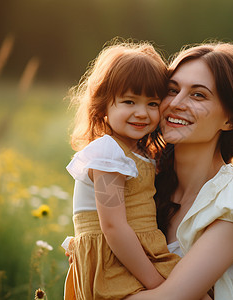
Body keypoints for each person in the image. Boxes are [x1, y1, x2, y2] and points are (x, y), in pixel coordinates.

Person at [126, 42, 233, 300]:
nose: (176, 103)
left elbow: (170, 298)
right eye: (172, 90)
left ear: (230, 119)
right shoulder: (143, 180)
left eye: (198, 95)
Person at [62, 40, 180, 300]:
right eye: (129, 101)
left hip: (141, 253)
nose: (142, 113)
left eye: (152, 103)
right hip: (114, 263)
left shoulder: (142, 154)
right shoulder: (107, 153)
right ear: (103, 106)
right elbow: (113, 226)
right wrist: (155, 283)